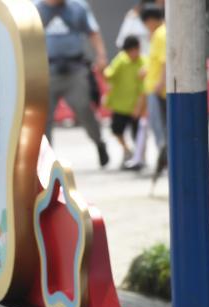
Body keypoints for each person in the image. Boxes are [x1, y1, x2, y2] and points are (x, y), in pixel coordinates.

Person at [34, 0, 111, 167]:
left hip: (74, 70)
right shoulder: (35, 8)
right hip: (47, 70)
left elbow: (93, 32)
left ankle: (99, 142)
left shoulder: (77, 7)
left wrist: (101, 55)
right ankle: (47, 160)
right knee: (44, 117)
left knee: (84, 108)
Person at [103, 35, 145, 169]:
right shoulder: (121, 60)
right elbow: (109, 75)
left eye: (135, 50)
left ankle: (139, 158)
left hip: (135, 106)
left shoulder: (143, 63)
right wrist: (102, 69)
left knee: (138, 134)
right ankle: (127, 151)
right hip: (120, 105)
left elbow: (143, 89)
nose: (133, 54)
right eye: (130, 51)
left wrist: (139, 107)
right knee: (116, 130)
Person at [140, 5, 167, 186]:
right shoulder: (161, 33)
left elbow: (165, 61)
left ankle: (164, 161)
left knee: (160, 130)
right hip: (156, 88)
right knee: (160, 129)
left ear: (150, 20)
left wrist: (160, 83)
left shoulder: (160, 34)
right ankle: (164, 161)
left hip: (158, 91)